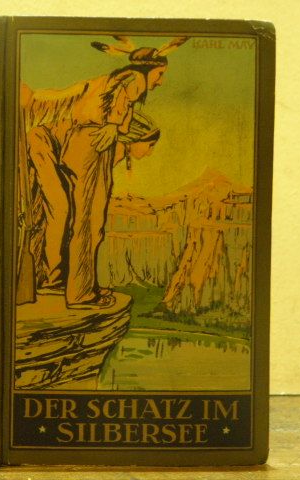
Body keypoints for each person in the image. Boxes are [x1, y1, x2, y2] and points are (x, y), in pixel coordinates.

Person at [20, 37, 186, 309]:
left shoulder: (110, 81)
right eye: (159, 74)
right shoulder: (133, 80)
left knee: (69, 215)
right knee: (89, 220)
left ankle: (57, 280)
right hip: (92, 143)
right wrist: (113, 124)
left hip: (76, 142)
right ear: (148, 70)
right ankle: (81, 293)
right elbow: (119, 96)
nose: (160, 81)